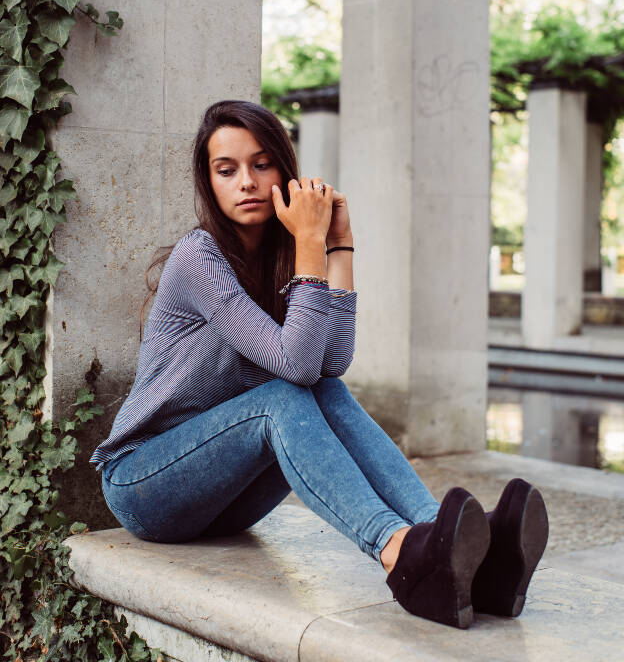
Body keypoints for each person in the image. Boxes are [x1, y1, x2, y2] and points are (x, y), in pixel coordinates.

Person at [90, 100, 549, 629]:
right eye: (227, 170)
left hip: (225, 496)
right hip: (146, 484)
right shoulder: (200, 257)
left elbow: (330, 365)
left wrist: (338, 244)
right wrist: (311, 242)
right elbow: (297, 366)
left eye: (262, 165)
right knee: (283, 397)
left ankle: (454, 551)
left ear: (286, 172)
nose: (247, 182)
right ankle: (400, 552)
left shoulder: (286, 257)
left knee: (324, 393)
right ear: (209, 182)